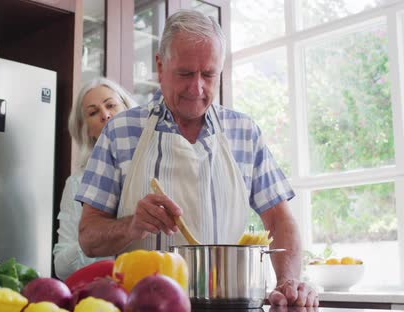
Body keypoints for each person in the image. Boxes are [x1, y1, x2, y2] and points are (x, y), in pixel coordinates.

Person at [75, 10, 319, 307]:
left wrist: (287, 282)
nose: (197, 88)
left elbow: (280, 221)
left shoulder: (244, 132)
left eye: (208, 74)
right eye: (186, 74)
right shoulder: (120, 131)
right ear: (160, 66)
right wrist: (131, 226)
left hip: (230, 305)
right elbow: (88, 238)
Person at [53, 77, 136, 280]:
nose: (105, 115)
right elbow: (61, 268)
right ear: (87, 130)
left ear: (128, 109)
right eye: (93, 112)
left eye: (111, 105)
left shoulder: (155, 167)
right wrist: (91, 238)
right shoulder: (77, 185)